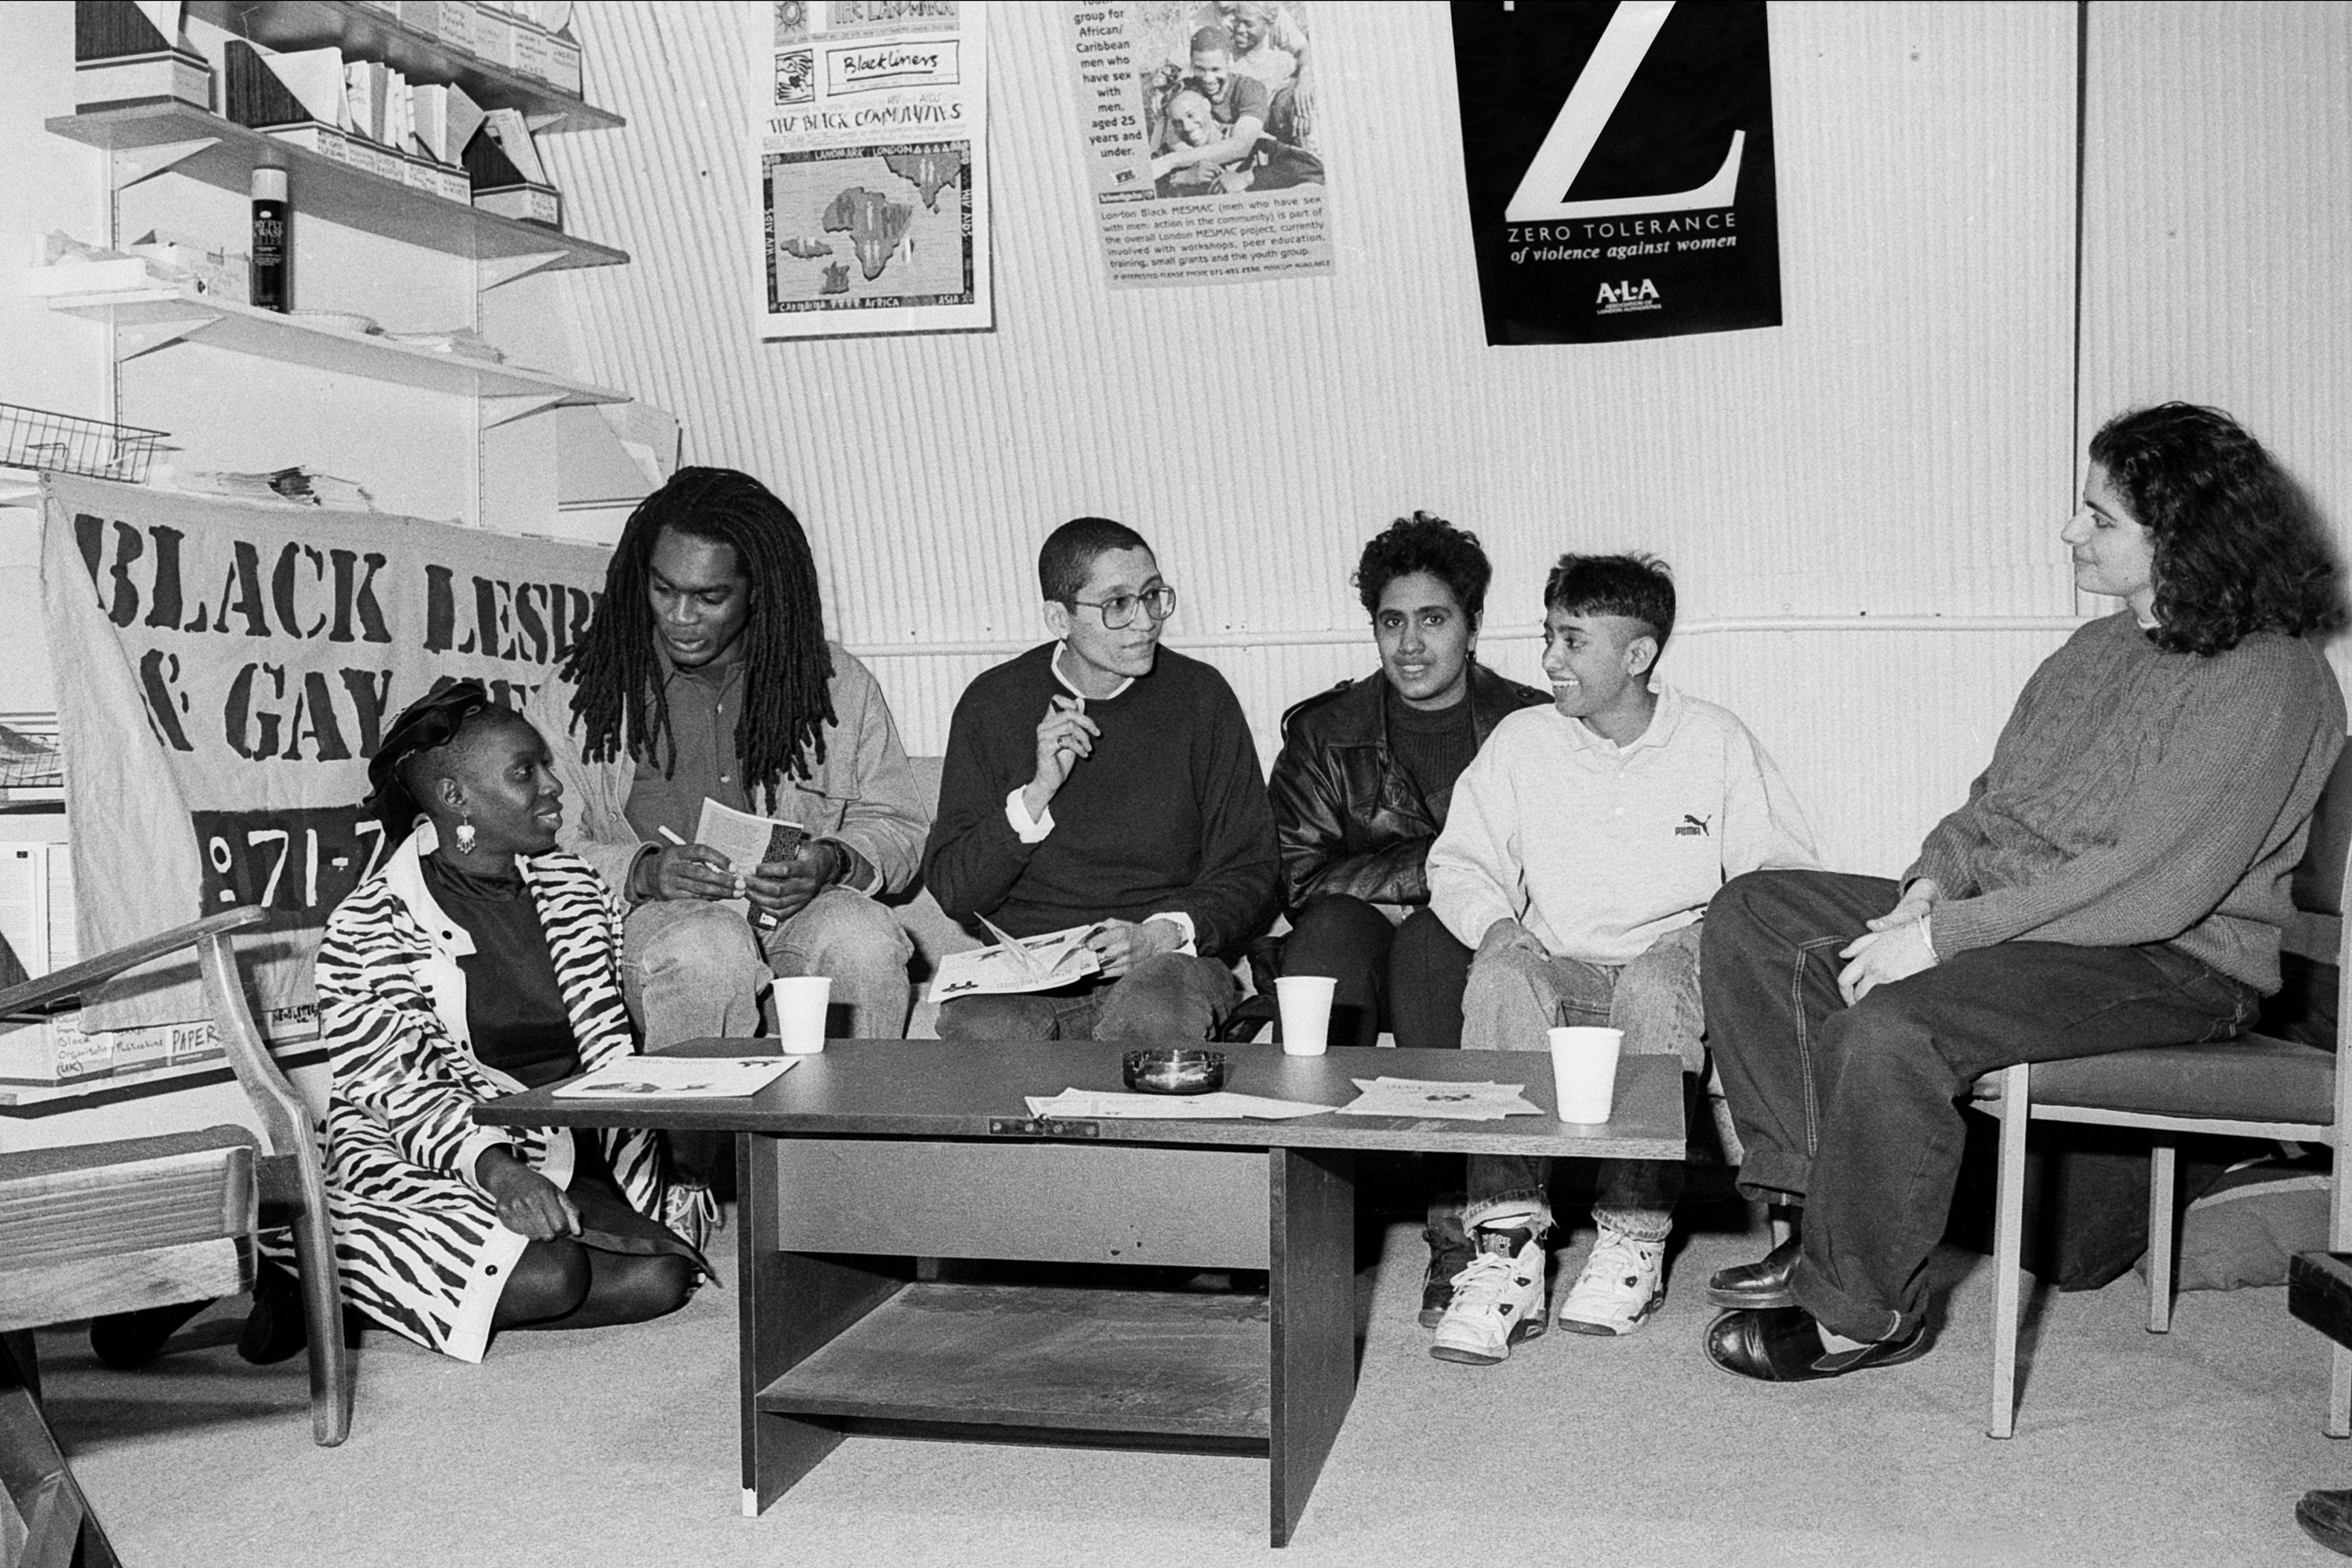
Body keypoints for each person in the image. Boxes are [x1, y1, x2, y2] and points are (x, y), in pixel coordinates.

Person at [1702, 403, 2344, 1383]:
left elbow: (2153, 884)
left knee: (1893, 1028)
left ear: (2187, 539)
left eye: (2101, 518)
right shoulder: (2095, 651)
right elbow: (1992, 807)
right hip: (2029, 926)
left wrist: (1949, 937)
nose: (2070, 531)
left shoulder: (2271, 679)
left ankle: (1863, 1312)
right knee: (1755, 913)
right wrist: (1928, 886)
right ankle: (1812, 1207)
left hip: (2173, 962)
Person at [1423, 554, 1817, 1364]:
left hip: (1670, 966)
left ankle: (1633, 1237)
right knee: (1499, 971)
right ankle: (1506, 1250)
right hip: (1562, 964)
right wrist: (1496, 924)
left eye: (1573, 640)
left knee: (1658, 975)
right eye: (1548, 636)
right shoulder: (1523, 740)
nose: (1549, 660)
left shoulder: (1715, 739)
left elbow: (1778, 879)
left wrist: (1699, 937)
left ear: (1637, 655)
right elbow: (1457, 861)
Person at [282, 682, 706, 1363]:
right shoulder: (370, 924)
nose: (553, 787)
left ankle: (350, 1293)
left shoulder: (574, 887)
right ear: (456, 800)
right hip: (430, 1152)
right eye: (524, 773)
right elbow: (397, 1090)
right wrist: (501, 1175)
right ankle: (304, 1260)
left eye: (545, 765)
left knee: (663, 1277)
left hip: (565, 1147)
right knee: (554, 1277)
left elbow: (606, 1044)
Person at [524, 467, 928, 1058]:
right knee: (710, 947)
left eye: (710, 598)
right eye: (664, 590)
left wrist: (831, 862)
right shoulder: (582, 690)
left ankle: (848, 1148)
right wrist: (643, 871)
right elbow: (539, 843)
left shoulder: (836, 685)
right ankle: (702, 1150)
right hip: (658, 926)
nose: (680, 617)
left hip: (795, 916)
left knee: (863, 939)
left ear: (757, 590)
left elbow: (900, 825)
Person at [923, 517, 1279, 1041]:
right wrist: (1037, 794)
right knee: (982, 1026)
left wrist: (1162, 935)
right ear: (1058, 618)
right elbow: (956, 889)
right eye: (1117, 605)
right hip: (1029, 975)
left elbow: (1252, 869)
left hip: (1163, 968)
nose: (1146, 622)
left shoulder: (1200, 698)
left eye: (1153, 595)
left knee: (1154, 1008)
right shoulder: (993, 704)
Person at [1269, 512, 1545, 1054]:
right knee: (1327, 932)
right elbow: (1300, 881)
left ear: (1473, 625)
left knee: (1429, 939)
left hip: (1481, 949)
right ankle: (1312, 1133)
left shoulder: (1532, 724)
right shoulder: (1325, 732)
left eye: (1433, 620)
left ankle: (1451, 1137)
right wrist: (1445, 869)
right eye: (1393, 622)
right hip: (1356, 948)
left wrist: (1437, 901)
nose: (1410, 644)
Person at [1150, 27, 1269, 189]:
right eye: (1200, 69)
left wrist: (1172, 161)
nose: (1208, 79)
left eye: (1215, 69)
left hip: (1245, 169)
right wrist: (1184, 173)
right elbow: (1174, 140)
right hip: (1201, 172)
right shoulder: (1186, 89)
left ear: (1229, 62)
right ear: (1191, 64)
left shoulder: (1250, 89)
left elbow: (1241, 145)